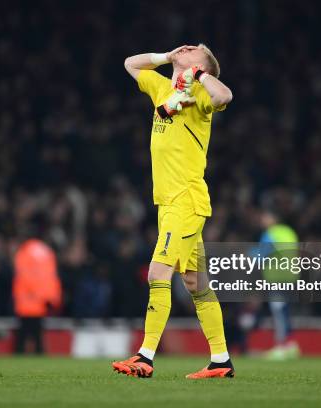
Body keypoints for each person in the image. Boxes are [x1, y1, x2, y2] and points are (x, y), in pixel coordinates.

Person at [112, 44, 234, 379]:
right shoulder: (164, 88)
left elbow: (225, 96)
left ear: (202, 65)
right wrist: (167, 58)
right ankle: (221, 360)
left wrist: (199, 75)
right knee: (197, 284)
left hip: (185, 201)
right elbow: (129, 62)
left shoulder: (200, 95)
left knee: (157, 273)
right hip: (168, 203)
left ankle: (145, 356)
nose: (187, 48)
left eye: (194, 51)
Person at [256, 209, 301, 361]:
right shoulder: (289, 232)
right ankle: (291, 345)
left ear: (273, 218)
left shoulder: (270, 234)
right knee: (286, 310)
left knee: (278, 311)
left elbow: (262, 255)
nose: (263, 220)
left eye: (265, 217)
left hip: (277, 277)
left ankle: (281, 346)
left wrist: (246, 256)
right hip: (291, 276)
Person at [12, 237, 62, 354]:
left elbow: (22, 276)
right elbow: (50, 279)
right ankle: (40, 356)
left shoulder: (24, 252)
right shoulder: (47, 254)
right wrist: (53, 299)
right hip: (39, 304)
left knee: (22, 336)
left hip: (24, 302)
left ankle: (17, 357)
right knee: (37, 336)